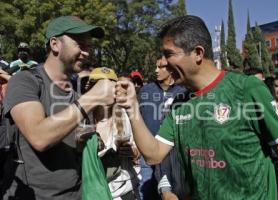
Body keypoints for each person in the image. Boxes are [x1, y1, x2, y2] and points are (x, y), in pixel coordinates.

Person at [116, 15, 278, 199]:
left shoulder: (247, 89)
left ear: (197, 53)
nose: (163, 62)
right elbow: (154, 155)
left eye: (169, 54)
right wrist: (132, 107)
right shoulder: (179, 103)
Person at [2, 16, 115, 200]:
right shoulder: (24, 81)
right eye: (80, 44)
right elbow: (39, 137)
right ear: (55, 44)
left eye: (89, 47)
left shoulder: (77, 94)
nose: (86, 53)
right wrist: (94, 97)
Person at [82, 67, 141, 200]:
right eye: (101, 87)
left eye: (111, 87)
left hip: (123, 191)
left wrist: (132, 152)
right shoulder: (82, 120)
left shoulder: (126, 116)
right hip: (92, 192)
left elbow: (139, 154)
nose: (107, 92)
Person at [138, 57, 187, 200]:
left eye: (160, 67)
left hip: (173, 155)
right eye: (155, 67)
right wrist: (136, 145)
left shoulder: (183, 93)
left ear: (171, 69)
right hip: (147, 154)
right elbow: (138, 119)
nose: (156, 70)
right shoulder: (145, 90)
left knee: (172, 194)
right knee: (146, 192)